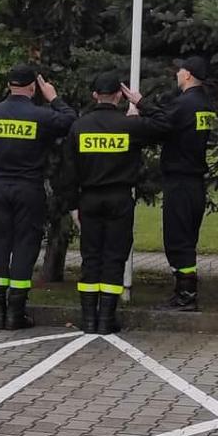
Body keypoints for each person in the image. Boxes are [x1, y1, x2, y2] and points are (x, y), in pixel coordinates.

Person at [0, 63, 75, 330]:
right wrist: (53, 97)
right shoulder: (39, 115)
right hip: (29, 189)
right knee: (26, 246)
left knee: (0, 246)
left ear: (8, 86)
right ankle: (16, 313)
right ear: (32, 87)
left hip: (0, 188)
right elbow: (70, 121)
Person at [64, 72, 171, 334]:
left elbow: (67, 171)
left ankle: (89, 320)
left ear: (94, 96)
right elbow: (166, 125)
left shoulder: (79, 126)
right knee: (114, 256)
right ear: (120, 96)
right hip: (120, 198)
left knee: (90, 257)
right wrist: (141, 102)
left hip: (89, 198)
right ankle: (106, 320)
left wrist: (72, 205)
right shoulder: (129, 126)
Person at [158, 56, 215, 311]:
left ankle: (186, 295)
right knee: (187, 237)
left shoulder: (184, 104)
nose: (177, 73)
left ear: (188, 75)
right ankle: (183, 292)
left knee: (177, 239)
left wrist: (139, 106)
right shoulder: (205, 103)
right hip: (195, 181)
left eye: (180, 70)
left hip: (179, 180)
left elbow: (160, 124)